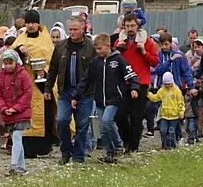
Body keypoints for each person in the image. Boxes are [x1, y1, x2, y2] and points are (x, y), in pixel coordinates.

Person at [49, 16, 95, 164]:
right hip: (65, 91)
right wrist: (47, 88)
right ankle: (65, 152)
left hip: (85, 93)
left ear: (83, 29)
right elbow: (53, 69)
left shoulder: (91, 47)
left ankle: (78, 156)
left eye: (75, 29)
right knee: (62, 120)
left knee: (82, 125)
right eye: (70, 29)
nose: (72, 32)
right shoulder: (61, 46)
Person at [114, 9, 158, 150]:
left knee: (136, 117)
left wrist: (144, 52)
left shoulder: (147, 41)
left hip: (141, 82)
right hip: (123, 82)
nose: (130, 29)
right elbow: (112, 60)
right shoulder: (119, 41)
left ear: (137, 26)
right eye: (127, 26)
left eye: (132, 26)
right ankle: (127, 140)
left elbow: (155, 62)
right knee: (120, 115)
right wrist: (118, 51)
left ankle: (133, 147)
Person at [12, 10, 56, 152]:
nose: (30, 26)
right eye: (28, 23)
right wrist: (19, 49)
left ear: (38, 23)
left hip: (42, 83)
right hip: (24, 83)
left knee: (44, 114)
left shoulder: (45, 39)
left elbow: (51, 60)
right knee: (24, 112)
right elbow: (11, 55)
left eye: (33, 23)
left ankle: (43, 146)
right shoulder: (21, 38)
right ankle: (25, 146)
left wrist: (44, 71)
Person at [92, 32, 138, 163]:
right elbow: (87, 79)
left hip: (115, 98)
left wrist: (135, 88)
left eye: (100, 48)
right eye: (96, 49)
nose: (97, 51)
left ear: (108, 46)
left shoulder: (118, 60)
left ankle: (119, 145)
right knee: (102, 127)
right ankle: (110, 153)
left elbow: (131, 74)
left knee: (107, 121)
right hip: (100, 99)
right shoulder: (96, 62)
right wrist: (77, 95)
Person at [0, 49, 33, 175]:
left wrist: (17, 108)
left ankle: (14, 164)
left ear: (16, 62)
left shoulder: (23, 74)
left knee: (16, 136)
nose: (8, 66)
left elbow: (28, 93)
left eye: (11, 63)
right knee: (16, 139)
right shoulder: (0, 76)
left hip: (21, 111)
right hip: (8, 112)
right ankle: (22, 167)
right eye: (6, 63)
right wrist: (4, 108)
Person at [148, 71, 185, 149]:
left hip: (174, 116)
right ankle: (164, 145)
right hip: (164, 115)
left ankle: (172, 146)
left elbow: (181, 102)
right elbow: (156, 98)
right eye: (166, 84)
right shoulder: (162, 90)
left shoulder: (177, 91)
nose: (167, 85)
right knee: (163, 131)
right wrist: (148, 94)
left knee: (171, 132)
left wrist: (181, 111)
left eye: (169, 84)